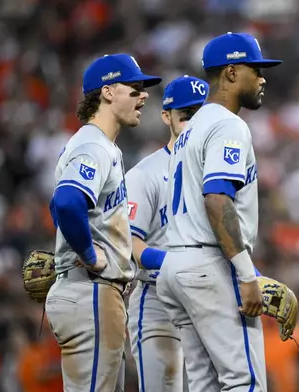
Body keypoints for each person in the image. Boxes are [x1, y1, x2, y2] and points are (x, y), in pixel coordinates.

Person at [156, 32, 281, 391]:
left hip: (176, 265)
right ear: (230, 72)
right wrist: (246, 274)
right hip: (210, 265)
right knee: (244, 382)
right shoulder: (228, 124)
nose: (262, 78)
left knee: (205, 385)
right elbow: (217, 199)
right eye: (254, 69)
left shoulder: (189, 130)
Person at [45, 53, 161, 391]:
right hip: (91, 290)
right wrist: (89, 255)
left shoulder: (95, 145)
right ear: (108, 92)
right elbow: (66, 203)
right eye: (135, 88)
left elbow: (59, 206)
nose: (144, 95)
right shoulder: (94, 144)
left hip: (87, 291)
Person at [126, 75, 208, 392]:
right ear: (166, 116)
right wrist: (180, 263)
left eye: (199, 115)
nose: (191, 124)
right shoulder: (144, 174)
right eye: (185, 116)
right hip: (158, 298)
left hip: (210, 295)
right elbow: (132, 245)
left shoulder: (220, 173)